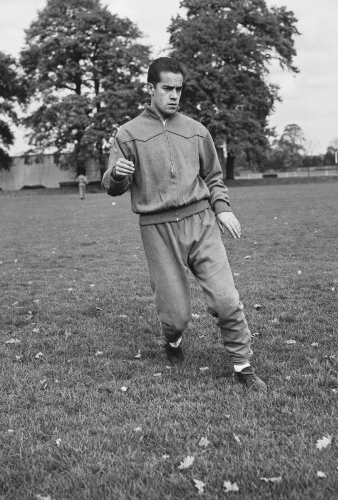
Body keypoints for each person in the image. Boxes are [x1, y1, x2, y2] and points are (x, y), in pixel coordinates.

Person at [101, 57, 266, 392]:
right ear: (150, 89)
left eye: (179, 89)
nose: (174, 95)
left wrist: (222, 209)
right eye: (167, 88)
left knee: (225, 299)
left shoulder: (195, 130)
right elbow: (111, 184)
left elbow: (214, 177)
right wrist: (116, 175)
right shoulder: (128, 134)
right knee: (176, 316)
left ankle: (243, 366)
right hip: (157, 229)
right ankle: (172, 342)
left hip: (201, 222)